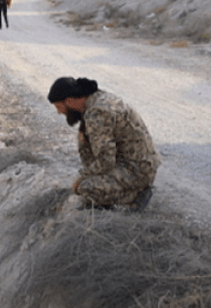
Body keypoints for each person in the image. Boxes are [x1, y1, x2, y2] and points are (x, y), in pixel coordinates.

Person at [47, 76, 160, 211]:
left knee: (86, 188)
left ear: (69, 101)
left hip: (137, 170)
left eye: (59, 107)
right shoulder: (96, 98)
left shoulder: (96, 113)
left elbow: (105, 161)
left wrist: (80, 179)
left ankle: (134, 196)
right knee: (84, 139)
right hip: (138, 163)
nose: (59, 112)